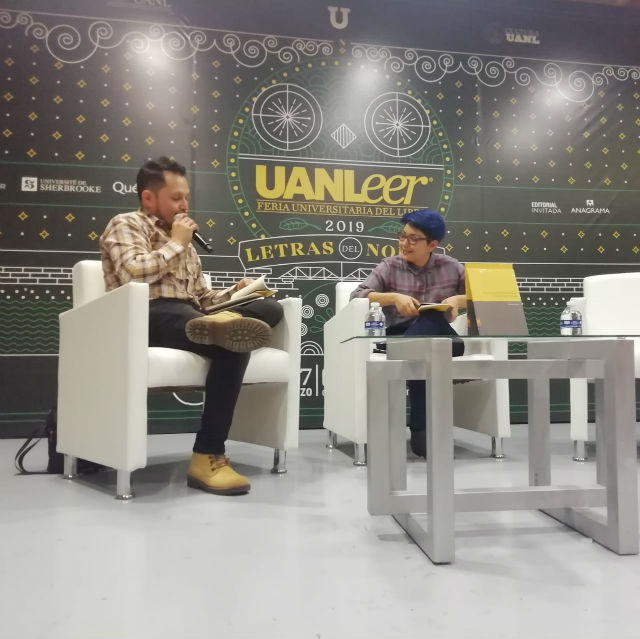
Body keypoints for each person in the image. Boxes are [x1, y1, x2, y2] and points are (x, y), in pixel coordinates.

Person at [100, 156, 283, 496]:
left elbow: (200, 298)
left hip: (189, 316)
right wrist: (177, 244)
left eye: (186, 197)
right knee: (227, 338)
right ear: (148, 198)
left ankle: (228, 324)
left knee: (267, 308)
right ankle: (208, 455)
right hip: (146, 315)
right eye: (176, 198)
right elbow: (132, 274)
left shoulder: (183, 242)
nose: (184, 205)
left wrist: (235, 294)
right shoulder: (126, 224)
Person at [350, 209, 466, 458]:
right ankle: (425, 431)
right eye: (402, 236)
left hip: (438, 335)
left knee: (431, 324)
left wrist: (458, 300)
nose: (404, 243)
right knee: (425, 347)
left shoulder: (453, 267)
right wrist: (393, 298)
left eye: (413, 239)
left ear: (432, 244)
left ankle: (420, 427)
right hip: (401, 334)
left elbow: (483, 296)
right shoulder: (390, 266)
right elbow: (357, 295)